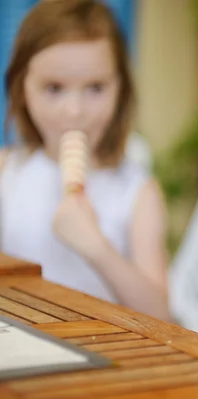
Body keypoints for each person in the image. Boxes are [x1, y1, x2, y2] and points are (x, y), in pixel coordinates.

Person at [0, 0, 171, 321]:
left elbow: (161, 316)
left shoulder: (136, 192)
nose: (75, 111)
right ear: (21, 88)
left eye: (95, 88)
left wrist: (97, 248)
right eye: (54, 88)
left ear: (121, 89)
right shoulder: (6, 173)